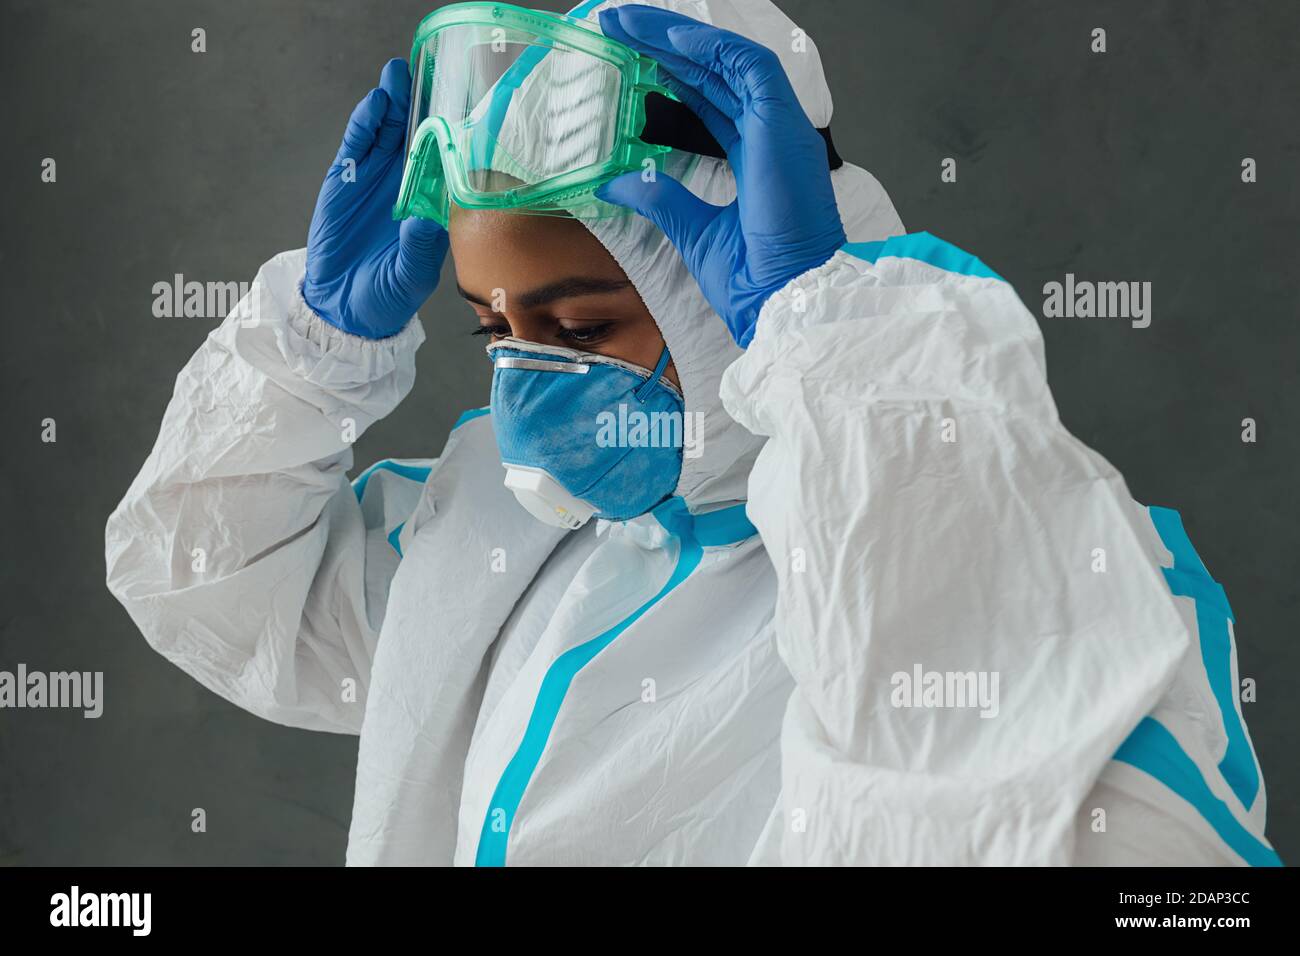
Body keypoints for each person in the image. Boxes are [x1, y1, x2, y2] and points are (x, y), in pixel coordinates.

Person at [105, 0, 1279, 866]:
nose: (523, 383)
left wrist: (834, 342)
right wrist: (311, 347)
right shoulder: (499, 530)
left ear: (734, 280)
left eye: (578, 321)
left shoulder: (1047, 573)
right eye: (489, 328)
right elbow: (210, 587)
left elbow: (1023, 826)